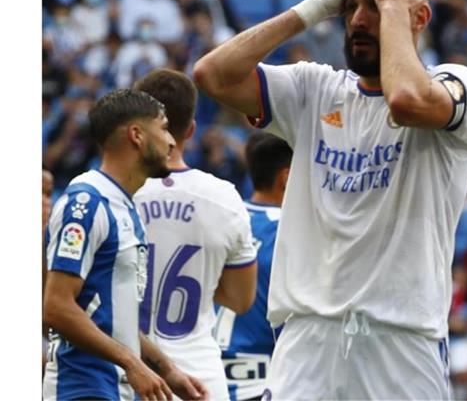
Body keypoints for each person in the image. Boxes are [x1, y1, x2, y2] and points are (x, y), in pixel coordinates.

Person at [193, 0, 467, 398]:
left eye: (377, 4)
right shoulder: (316, 89)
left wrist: (394, 9)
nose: (359, 19)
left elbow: (406, 99)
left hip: (403, 345)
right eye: (350, 7)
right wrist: (315, 7)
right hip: (308, 341)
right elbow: (213, 74)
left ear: (420, 17)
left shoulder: (458, 84)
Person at [43, 89, 207, 401]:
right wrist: (132, 363)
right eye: (163, 127)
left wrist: (166, 369)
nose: (172, 141)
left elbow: (114, 318)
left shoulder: (125, 207)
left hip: (113, 389)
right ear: (136, 135)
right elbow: (56, 307)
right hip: (80, 389)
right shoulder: (87, 203)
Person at [134, 69, 258, 400]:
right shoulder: (224, 197)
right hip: (200, 381)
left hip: (125, 378)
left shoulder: (112, 191)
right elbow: (240, 300)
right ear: (190, 129)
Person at [214, 131, 293, 400]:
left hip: (202, 374)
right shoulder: (293, 231)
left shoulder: (223, 218)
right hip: (261, 382)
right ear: (286, 178)